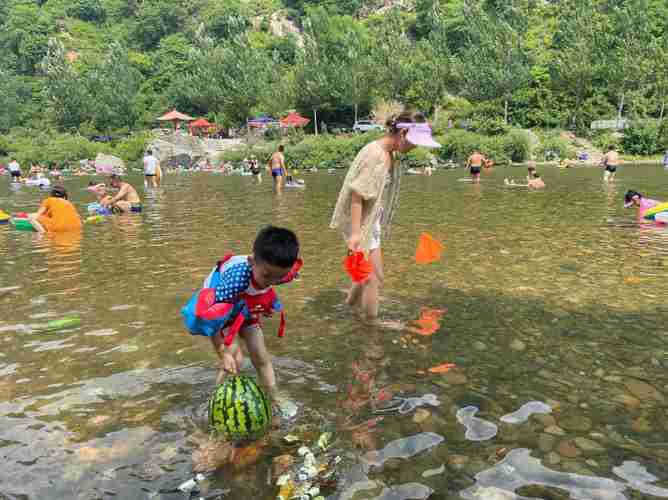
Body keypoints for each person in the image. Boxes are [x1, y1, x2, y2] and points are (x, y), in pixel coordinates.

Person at [330, 112, 441, 321]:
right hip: (361, 222)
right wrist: (355, 234)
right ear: (403, 132)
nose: (415, 147)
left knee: (369, 276)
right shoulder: (376, 155)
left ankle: (347, 309)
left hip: (371, 221)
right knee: (374, 280)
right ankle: (370, 327)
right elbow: (357, 194)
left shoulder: (390, 153)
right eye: (415, 142)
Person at [182, 226, 302, 414]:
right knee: (234, 359)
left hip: (246, 307)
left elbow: (269, 281)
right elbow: (214, 320)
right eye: (266, 276)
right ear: (252, 261)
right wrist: (223, 352)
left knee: (261, 355)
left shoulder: (281, 272)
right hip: (219, 309)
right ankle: (216, 405)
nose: (270, 282)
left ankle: (274, 396)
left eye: (277, 278)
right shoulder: (235, 280)